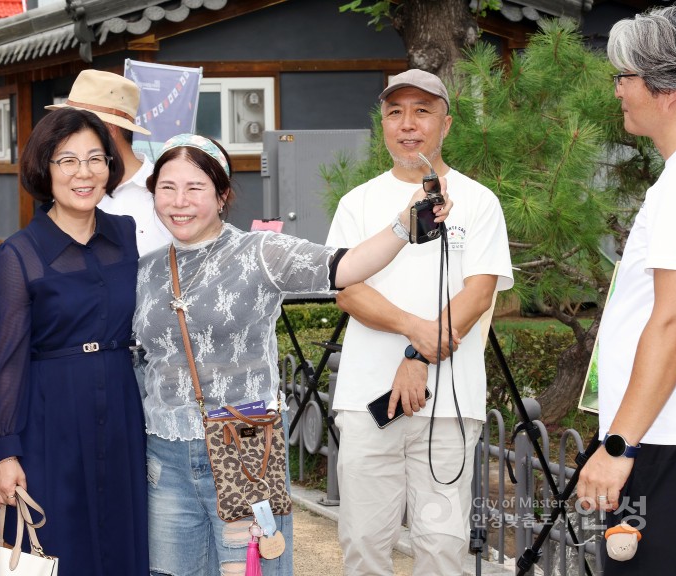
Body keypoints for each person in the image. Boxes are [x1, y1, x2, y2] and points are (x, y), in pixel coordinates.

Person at [134, 133, 452, 576]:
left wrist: (403, 225)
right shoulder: (144, 270)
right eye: (167, 188)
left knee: (247, 569)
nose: (179, 201)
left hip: (244, 446)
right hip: (165, 458)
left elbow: (345, 267)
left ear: (223, 194)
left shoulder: (260, 252)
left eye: (195, 188)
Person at [325, 69, 513, 575]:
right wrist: (415, 329)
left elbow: (478, 293)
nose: (408, 124)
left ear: (446, 123)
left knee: (442, 548)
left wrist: (416, 357)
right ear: (382, 123)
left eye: (423, 111)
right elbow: (347, 291)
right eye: (395, 112)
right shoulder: (357, 203)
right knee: (364, 545)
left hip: (450, 404)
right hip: (369, 403)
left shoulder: (478, 202)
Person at [0, 106, 148, 574]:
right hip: (50, 413)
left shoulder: (126, 235)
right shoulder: (20, 253)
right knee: (56, 542)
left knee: (119, 536)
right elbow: (9, 357)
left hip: (119, 405)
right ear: (44, 168)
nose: (84, 172)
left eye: (96, 159)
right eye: (67, 159)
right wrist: (5, 451)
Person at [578, 5, 676, 573]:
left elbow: (674, 322)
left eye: (625, 76)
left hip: (661, 440)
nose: (618, 90)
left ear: (669, 89)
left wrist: (619, 447)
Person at [48, 68, 173, 256]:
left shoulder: (165, 192)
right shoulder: (70, 185)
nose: (68, 132)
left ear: (109, 128)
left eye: (78, 124)